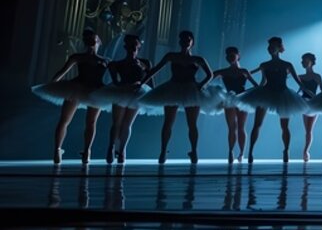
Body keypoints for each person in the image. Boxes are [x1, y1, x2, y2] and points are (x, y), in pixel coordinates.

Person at [139, 30, 218, 164]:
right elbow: (155, 70)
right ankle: (163, 151)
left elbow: (210, 75)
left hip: (191, 89)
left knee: (192, 124)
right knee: (168, 122)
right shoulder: (171, 56)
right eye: (183, 39)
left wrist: (201, 85)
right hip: (173, 88)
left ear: (192, 42)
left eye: (188, 39)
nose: (185, 42)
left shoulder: (198, 59)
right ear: (179, 41)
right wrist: (141, 83)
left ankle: (194, 151)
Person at [32, 29, 109, 164]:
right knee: (88, 122)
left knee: (66, 121)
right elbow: (62, 71)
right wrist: (52, 85)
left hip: (80, 88)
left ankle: (59, 150)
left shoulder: (82, 58)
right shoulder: (102, 60)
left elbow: (62, 72)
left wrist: (52, 84)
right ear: (98, 42)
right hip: (90, 90)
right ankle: (84, 152)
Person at [239, 37, 311, 163]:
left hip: (283, 94)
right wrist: (248, 92)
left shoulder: (287, 65)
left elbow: (300, 83)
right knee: (257, 124)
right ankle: (250, 151)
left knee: (284, 126)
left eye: (273, 46)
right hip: (266, 93)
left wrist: (311, 95)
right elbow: (263, 82)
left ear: (279, 48)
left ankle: (286, 150)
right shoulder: (264, 65)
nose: (270, 48)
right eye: (269, 46)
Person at [91, 34, 154, 164]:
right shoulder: (117, 64)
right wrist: (128, 85)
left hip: (137, 93)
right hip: (121, 92)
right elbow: (115, 82)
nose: (133, 47)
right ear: (125, 46)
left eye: (135, 44)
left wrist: (146, 91)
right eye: (130, 44)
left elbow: (151, 83)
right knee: (117, 122)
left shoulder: (145, 63)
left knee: (127, 124)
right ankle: (111, 147)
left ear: (139, 46)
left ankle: (122, 150)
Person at [208, 46, 257, 163]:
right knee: (231, 127)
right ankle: (230, 151)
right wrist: (201, 85)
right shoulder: (223, 71)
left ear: (238, 56)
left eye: (232, 55)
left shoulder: (244, 71)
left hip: (242, 99)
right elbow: (209, 76)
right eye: (228, 55)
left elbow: (255, 85)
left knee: (241, 127)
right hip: (229, 99)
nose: (230, 57)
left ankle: (241, 153)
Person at [297, 53, 322, 162]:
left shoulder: (317, 76)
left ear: (311, 62)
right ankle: (306, 152)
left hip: (314, 103)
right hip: (303, 103)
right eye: (302, 61)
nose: (303, 62)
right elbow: (300, 90)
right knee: (307, 130)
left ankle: (306, 151)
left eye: (305, 60)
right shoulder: (300, 77)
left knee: (309, 129)